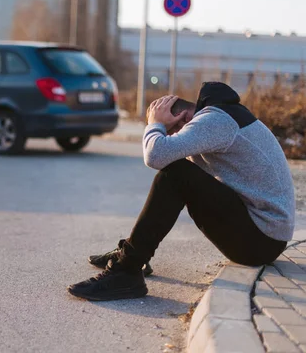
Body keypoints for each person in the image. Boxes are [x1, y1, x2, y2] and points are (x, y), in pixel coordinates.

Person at [67, 81, 295, 301]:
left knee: (176, 172)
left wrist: (154, 124)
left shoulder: (213, 121)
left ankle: (127, 271)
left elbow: (156, 155)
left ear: (184, 118)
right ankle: (131, 255)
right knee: (179, 171)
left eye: (173, 130)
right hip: (264, 235)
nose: (174, 138)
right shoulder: (223, 116)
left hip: (260, 241)